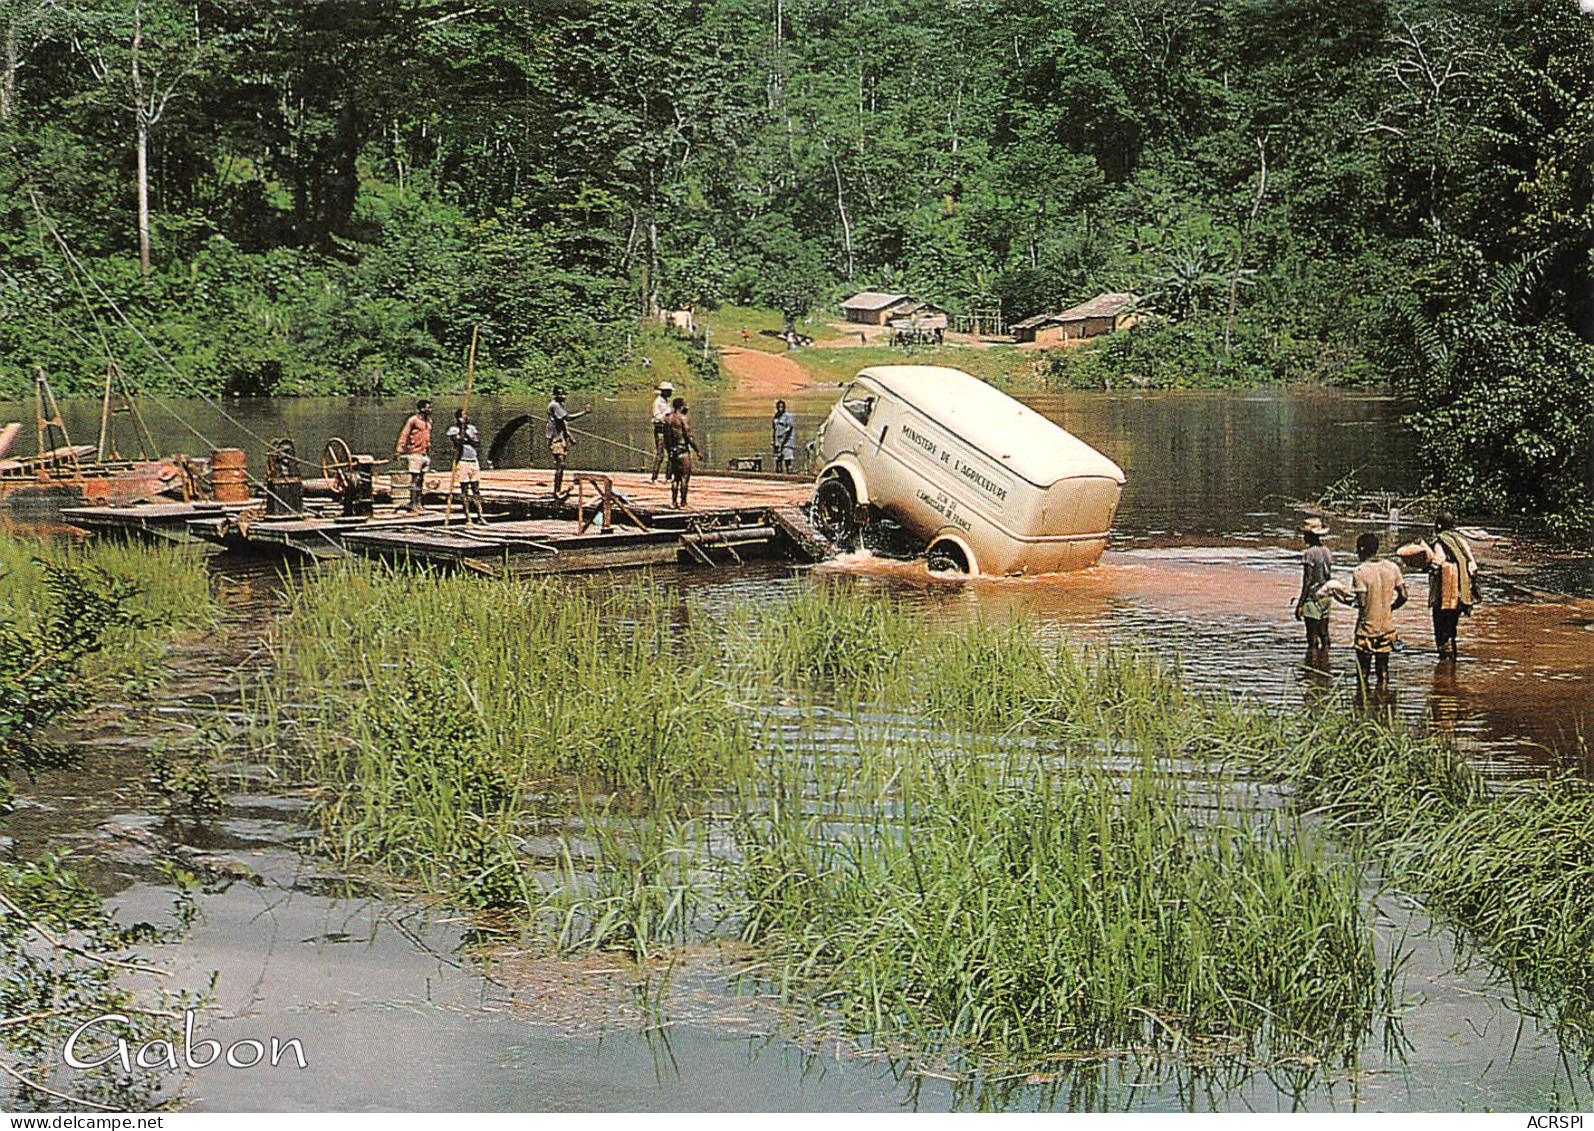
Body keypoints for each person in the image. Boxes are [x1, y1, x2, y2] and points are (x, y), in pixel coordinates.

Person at [1333, 531, 1407, 692]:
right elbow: (1404, 595)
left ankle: (1362, 705)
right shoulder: (1392, 567)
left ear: (1361, 549)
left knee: (1363, 673)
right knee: (1383, 671)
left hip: (1367, 629)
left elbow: (1362, 602)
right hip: (1387, 627)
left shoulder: (1360, 571)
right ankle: (1383, 702)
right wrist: (1390, 607)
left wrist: (1340, 597)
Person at [1421, 511, 1479, 660]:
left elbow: (1438, 561)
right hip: (1461, 594)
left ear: (1438, 526)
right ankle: (1451, 664)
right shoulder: (1461, 541)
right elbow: (1472, 565)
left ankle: (1444, 664)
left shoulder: (1441, 542)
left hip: (1444, 595)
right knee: (1451, 628)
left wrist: (1427, 566)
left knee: (1441, 629)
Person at [1293, 517, 1335, 653]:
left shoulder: (1309, 554)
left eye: (1305, 535)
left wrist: (1300, 603)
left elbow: (1308, 580)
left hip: (1313, 598)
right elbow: (1328, 576)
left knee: (1312, 638)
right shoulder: (1327, 551)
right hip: (1326, 597)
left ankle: (1313, 666)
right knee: (1324, 633)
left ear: (1309, 536)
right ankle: (1325, 662)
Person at [544, 386, 592, 498]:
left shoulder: (560, 405)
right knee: (560, 464)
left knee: (562, 464)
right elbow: (568, 418)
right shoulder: (555, 405)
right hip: (555, 439)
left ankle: (558, 489)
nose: (563, 396)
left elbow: (562, 423)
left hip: (561, 437)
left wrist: (570, 436)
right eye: (560, 394)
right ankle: (556, 491)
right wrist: (584, 413)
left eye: (564, 394)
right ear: (555, 395)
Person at [662, 397, 703, 508]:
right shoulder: (683, 418)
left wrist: (669, 450)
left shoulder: (667, 419)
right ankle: (683, 502)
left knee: (675, 478)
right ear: (681, 406)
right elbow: (689, 436)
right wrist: (697, 451)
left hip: (672, 451)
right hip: (682, 450)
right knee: (685, 477)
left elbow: (665, 438)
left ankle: (674, 502)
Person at [393, 398, 433, 512]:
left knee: (421, 479)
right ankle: (413, 503)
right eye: (428, 407)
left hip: (424, 454)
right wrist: (399, 450)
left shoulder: (428, 422)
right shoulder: (413, 420)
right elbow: (404, 435)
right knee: (415, 479)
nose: (430, 409)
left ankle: (419, 503)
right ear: (421, 409)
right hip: (414, 453)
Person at [447, 407, 484, 524]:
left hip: (473, 460)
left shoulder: (472, 428)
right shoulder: (453, 429)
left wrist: (467, 435)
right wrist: (462, 433)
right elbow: (458, 442)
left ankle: (480, 516)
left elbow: (477, 442)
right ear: (458, 418)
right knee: (464, 490)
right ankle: (468, 517)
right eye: (464, 415)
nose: (467, 417)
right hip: (462, 461)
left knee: (476, 489)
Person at [649, 381, 674, 482]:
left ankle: (668, 477)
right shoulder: (658, 402)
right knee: (660, 454)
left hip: (667, 430)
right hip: (660, 430)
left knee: (671, 453)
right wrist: (666, 418)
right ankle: (654, 478)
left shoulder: (666, 402)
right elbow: (657, 415)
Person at [771, 399, 797, 474]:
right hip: (777, 443)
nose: (780, 408)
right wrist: (774, 441)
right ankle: (778, 475)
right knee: (778, 461)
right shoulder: (775, 418)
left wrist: (783, 440)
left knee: (788, 461)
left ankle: (790, 475)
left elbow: (788, 429)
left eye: (782, 407)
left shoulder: (789, 417)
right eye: (779, 407)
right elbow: (774, 430)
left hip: (787, 443)